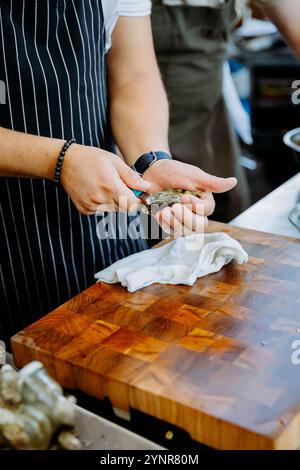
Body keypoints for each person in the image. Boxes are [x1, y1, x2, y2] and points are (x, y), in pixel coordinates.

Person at [0, 0, 237, 347]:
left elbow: (133, 75)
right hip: (9, 241)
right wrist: (57, 160)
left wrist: (151, 161)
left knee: (115, 350)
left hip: (102, 217)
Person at [151, 0, 300, 221]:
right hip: (142, 117)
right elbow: (133, 78)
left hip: (206, 102)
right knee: (159, 218)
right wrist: (151, 160)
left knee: (224, 210)